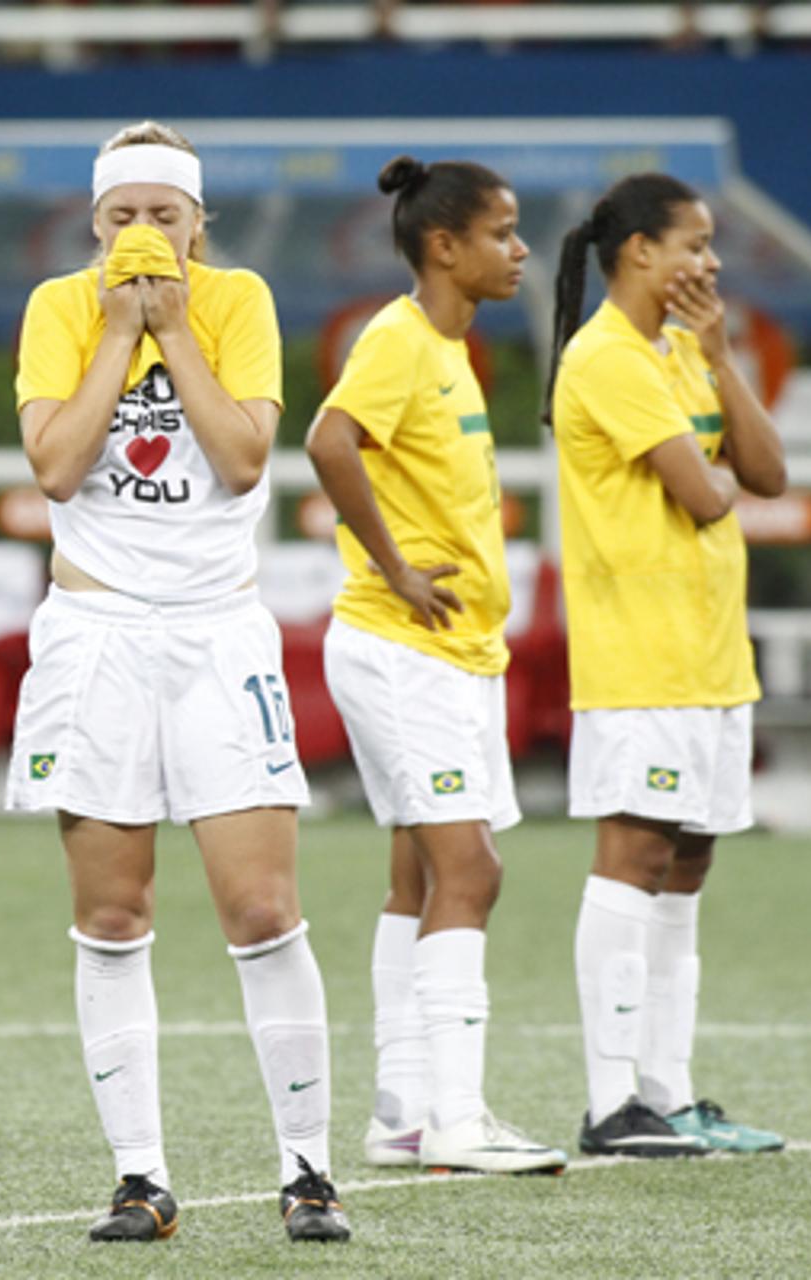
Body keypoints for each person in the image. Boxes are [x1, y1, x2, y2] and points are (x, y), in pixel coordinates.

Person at [8, 120, 350, 1245]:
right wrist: (116, 331)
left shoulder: (237, 300)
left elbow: (244, 456)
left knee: (260, 907)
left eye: (164, 216)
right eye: (121, 219)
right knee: (112, 911)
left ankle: (308, 1171)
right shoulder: (63, 308)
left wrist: (175, 327)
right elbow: (56, 464)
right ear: (91, 225)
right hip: (96, 633)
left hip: (215, 632)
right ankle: (140, 1177)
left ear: (201, 224)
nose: (143, 237)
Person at [306, 156, 566, 1175]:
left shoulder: (451, 351)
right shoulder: (401, 338)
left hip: (452, 655)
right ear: (444, 245)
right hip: (404, 650)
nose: (521, 250)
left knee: (417, 873)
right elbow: (330, 441)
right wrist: (397, 566)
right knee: (473, 869)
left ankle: (404, 1112)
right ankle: (460, 1119)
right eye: (504, 231)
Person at [546, 172, 787, 1158]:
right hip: (639, 656)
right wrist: (717, 467)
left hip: (710, 656)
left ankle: (669, 1090)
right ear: (639, 250)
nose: (710, 261)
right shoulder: (604, 358)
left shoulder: (682, 354)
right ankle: (612, 1104)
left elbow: (766, 473)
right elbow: (710, 497)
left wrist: (723, 356)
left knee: (686, 866)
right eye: (693, 242)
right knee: (635, 859)